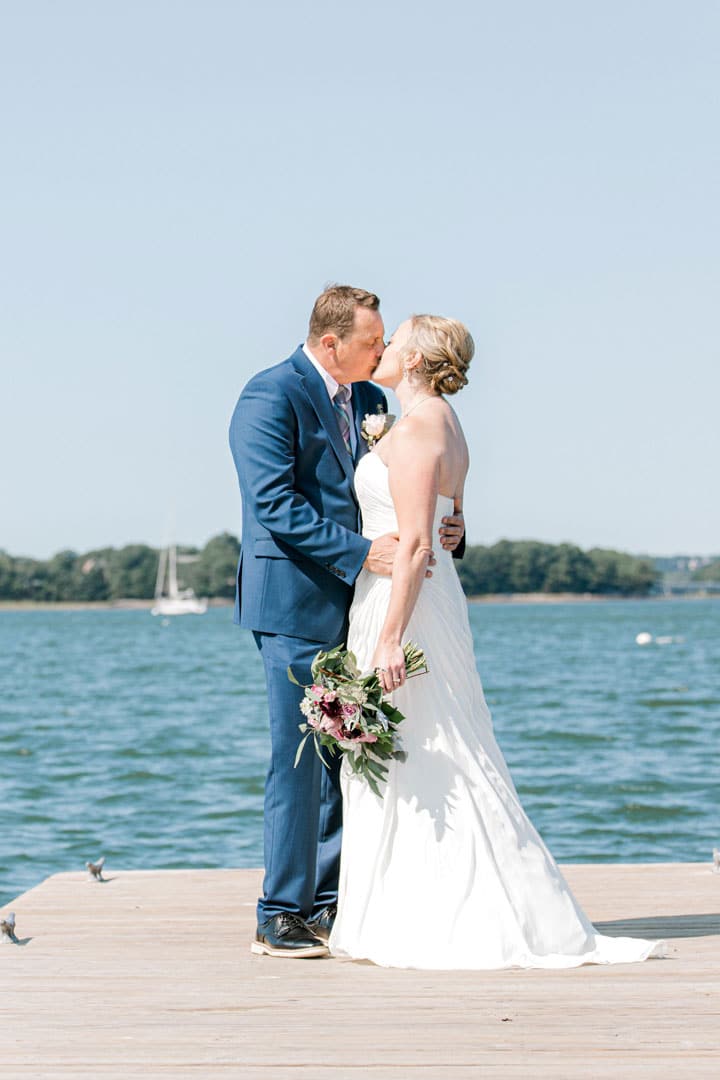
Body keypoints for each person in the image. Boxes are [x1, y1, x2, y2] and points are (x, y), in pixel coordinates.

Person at [330, 314, 662, 969]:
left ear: (418, 358)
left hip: (408, 603)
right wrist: (445, 537)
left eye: (394, 340)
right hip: (422, 592)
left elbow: (422, 543)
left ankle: (440, 913)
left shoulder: (422, 429)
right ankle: (397, 904)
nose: (384, 348)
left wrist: (391, 639)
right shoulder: (443, 423)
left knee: (422, 749)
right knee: (426, 746)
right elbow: (451, 524)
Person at [228, 287, 465, 958]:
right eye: (372, 341)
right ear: (331, 344)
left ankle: (331, 902)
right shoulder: (269, 395)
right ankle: (279, 912)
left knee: (348, 752)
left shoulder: (370, 402)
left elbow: (397, 482)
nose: (383, 351)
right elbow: (274, 504)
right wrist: (364, 553)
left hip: (361, 607)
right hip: (294, 602)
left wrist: (448, 518)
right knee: (299, 757)